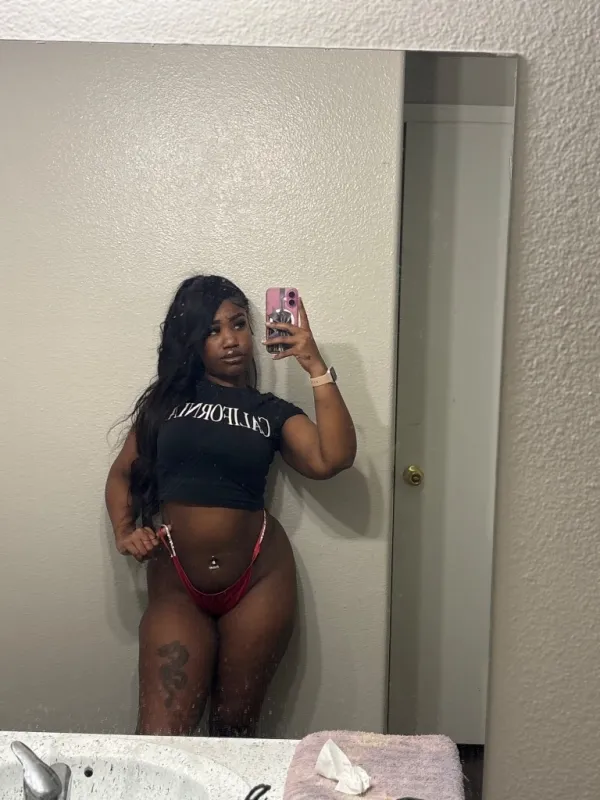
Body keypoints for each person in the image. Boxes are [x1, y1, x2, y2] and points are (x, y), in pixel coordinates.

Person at [105, 275, 356, 737]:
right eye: (212, 330)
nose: (230, 340)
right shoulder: (165, 405)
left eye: (239, 324)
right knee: (160, 735)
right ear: (191, 340)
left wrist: (314, 364)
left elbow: (333, 458)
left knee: (235, 730)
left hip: (259, 580)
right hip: (177, 586)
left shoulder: (270, 410)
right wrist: (125, 530)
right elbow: (122, 473)